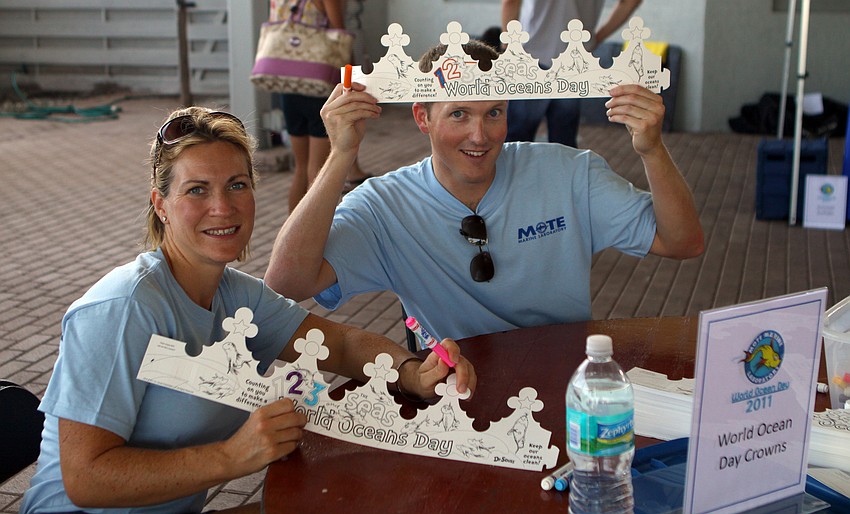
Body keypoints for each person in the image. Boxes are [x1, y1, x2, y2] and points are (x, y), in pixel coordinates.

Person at [20, 107, 475, 514]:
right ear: (161, 205)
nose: (222, 207)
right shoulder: (123, 308)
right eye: (197, 190)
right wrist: (231, 457)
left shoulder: (237, 294)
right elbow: (85, 478)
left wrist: (412, 373)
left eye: (237, 185)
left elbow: (341, 344)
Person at [264, 40, 704, 343]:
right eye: (458, 114)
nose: (480, 136)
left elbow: (683, 242)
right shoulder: (384, 205)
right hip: (453, 385)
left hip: (562, 369)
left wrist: (652, 149)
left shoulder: (570, 172)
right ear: (422, 118)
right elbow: (286, 283)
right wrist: (341, 155)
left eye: (493, 113)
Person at [272, 0, 372, 213]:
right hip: (318, 85)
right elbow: (340, 38)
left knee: (301, 167)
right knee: (318, 170)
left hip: (289, 84)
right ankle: (311, 230)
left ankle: (292, 228)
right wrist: (353, 76)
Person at [500, 0, 642, 147]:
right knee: (564, 140)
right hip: (574, 60)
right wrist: (597, 38)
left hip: (530, 54)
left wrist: (508, 49)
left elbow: (511, 2)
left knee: (516, 141)